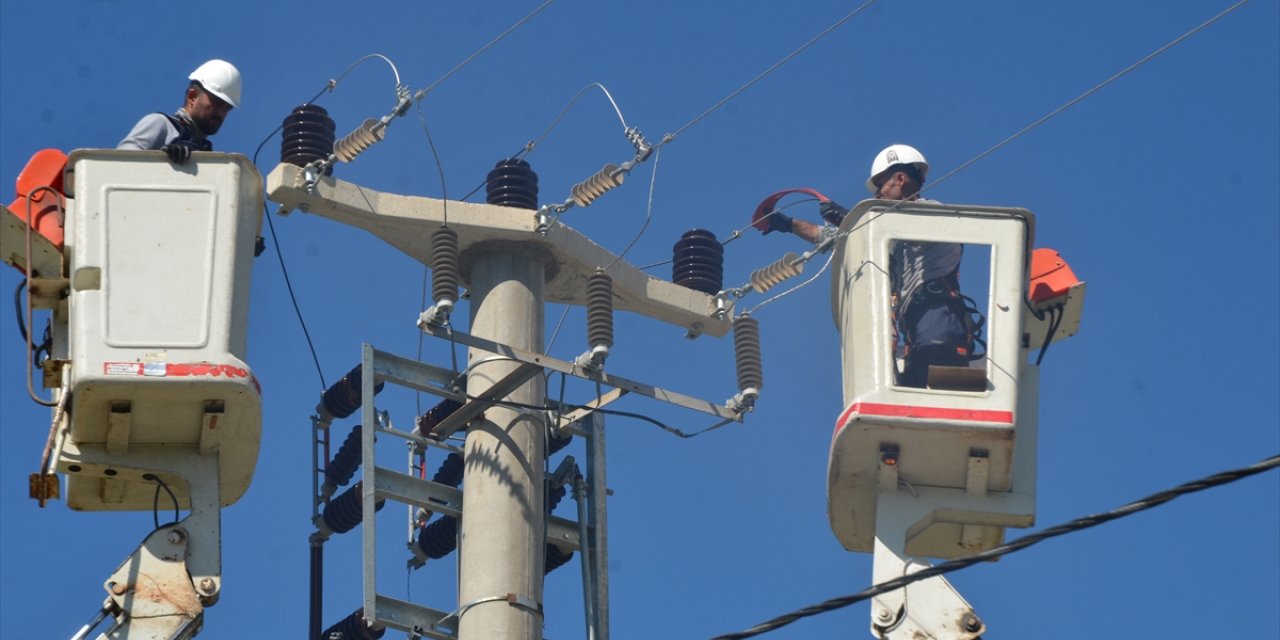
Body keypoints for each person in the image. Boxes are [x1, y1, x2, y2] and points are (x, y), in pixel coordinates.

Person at [761, 144, 979, 388]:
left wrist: (851, 219)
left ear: (899, 179)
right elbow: (834, 238)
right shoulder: (890, 238)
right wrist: (788, 224)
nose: (877, 195)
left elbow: (909, 223)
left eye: (880, 186)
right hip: (917, 330)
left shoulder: (933, 212)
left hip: (940, 321)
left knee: (937, 387)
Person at [118, 59, 242, 164]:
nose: (221, 114)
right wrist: (163, 158)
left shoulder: (207, 153)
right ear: (192, 97)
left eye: (227, 108)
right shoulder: (161, 124)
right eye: (217, 103)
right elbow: (121, 161)